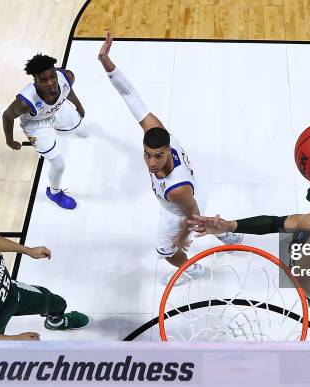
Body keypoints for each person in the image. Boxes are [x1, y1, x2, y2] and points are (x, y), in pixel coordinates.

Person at [97, 31, 242, 281]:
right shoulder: (158, 132)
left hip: (182, 207)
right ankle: (227, 234)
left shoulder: (176, 189)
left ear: (167, 151)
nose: (151, 163)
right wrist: (106, 62)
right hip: (197, 192)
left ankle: (192, 269)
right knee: (202, 214)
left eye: (158, 157)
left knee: (165, 250)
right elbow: (131, 96)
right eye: (147, 155)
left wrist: (181, 238)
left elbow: (192, 216)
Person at [188, 197, 310, 341]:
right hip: (307, 248)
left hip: (308, 280)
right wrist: (229, 226)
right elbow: (274, 223)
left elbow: (302, 272)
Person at [2, 54, 87, 210]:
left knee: (82, 130)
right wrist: (9, 140)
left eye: (52, 77)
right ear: (35, 80)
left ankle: (59, 129)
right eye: (44, 80)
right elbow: (7, 116)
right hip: (36, 124)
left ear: (56, 72)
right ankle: (55, 193)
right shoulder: (24, 102)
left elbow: (68, 90)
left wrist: (79, 106)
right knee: (59, 164)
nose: (51, 83)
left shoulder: (66, 76)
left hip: (55, 110)